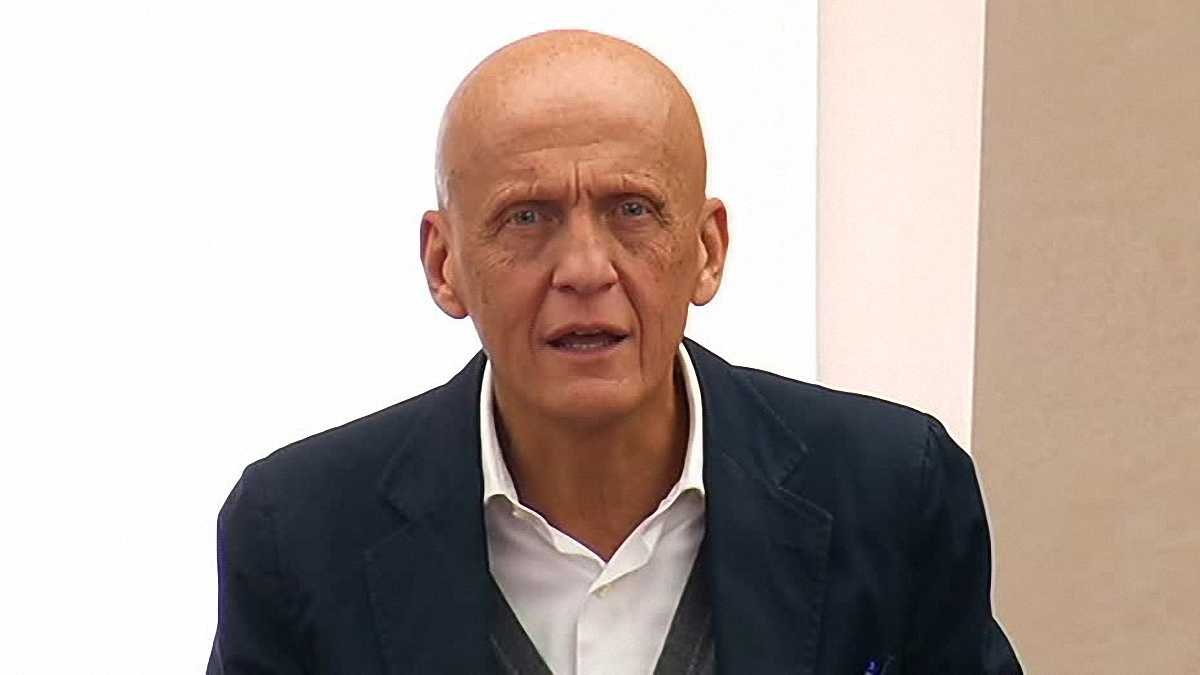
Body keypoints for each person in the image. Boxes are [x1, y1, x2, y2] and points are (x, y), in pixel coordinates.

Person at [207, 29, 1021, 675]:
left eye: (632, 209)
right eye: (527, 217)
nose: (586, 269)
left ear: (707, 249)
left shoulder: (893, 491)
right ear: (443, 263)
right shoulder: (298, 533)